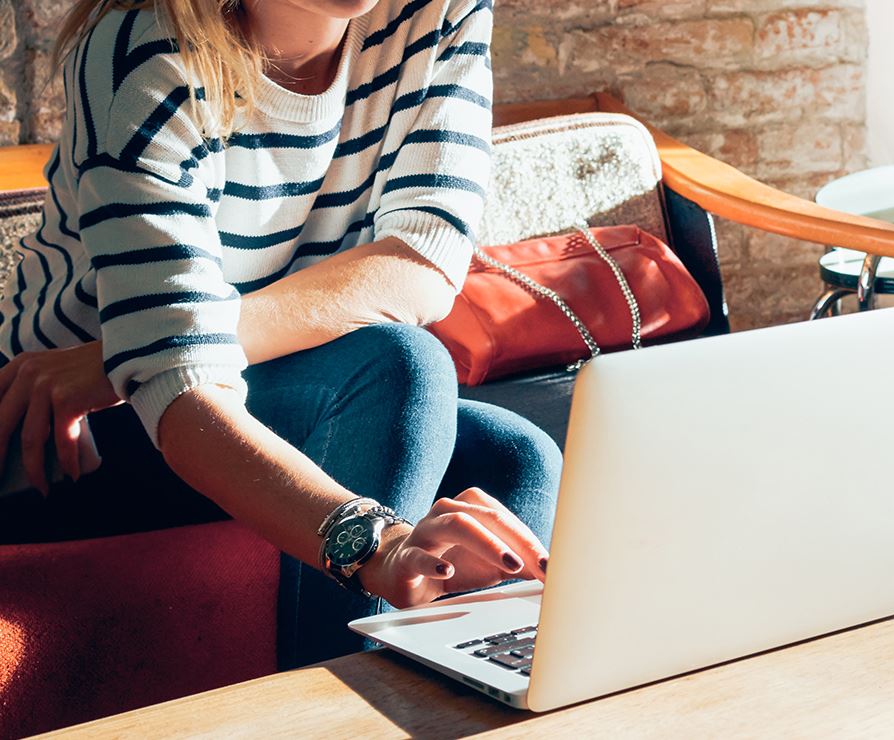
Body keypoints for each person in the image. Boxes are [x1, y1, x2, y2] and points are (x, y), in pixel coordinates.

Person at [0, 0, 562, 665]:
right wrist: (376, 547)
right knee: (401, 366)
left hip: (198, 377)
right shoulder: (144, 49)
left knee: (512, 458)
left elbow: (422, 264)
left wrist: (147, 350)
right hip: (67, 434)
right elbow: (183, 399)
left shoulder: (437, 11)